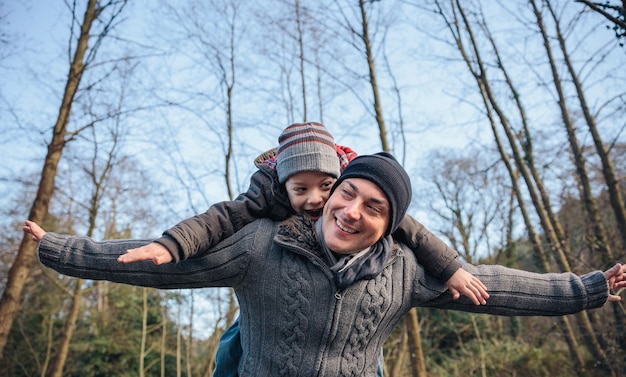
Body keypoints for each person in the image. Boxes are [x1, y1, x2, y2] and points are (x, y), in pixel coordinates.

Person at [26, 152, 626, 377]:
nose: (351, 212)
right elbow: (156, 263)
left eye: (375, 207)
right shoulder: (261, 243)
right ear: (329, 194)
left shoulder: (403, 270)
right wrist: (58, 247)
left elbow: (500, 289)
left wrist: (591, 288)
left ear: (389, 225)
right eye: (347, 194)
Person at [110, 121, 488, 376]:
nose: (314, 200)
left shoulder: (355, 193)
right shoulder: (265, 195)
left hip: (344, 301)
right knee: (235, 340)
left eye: (326, 187)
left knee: (367, 349)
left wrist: (451, 267)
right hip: (275, 287)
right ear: (283, 185)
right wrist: (172, 244)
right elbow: (218, 220)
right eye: (300, 190)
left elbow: (414, 231)